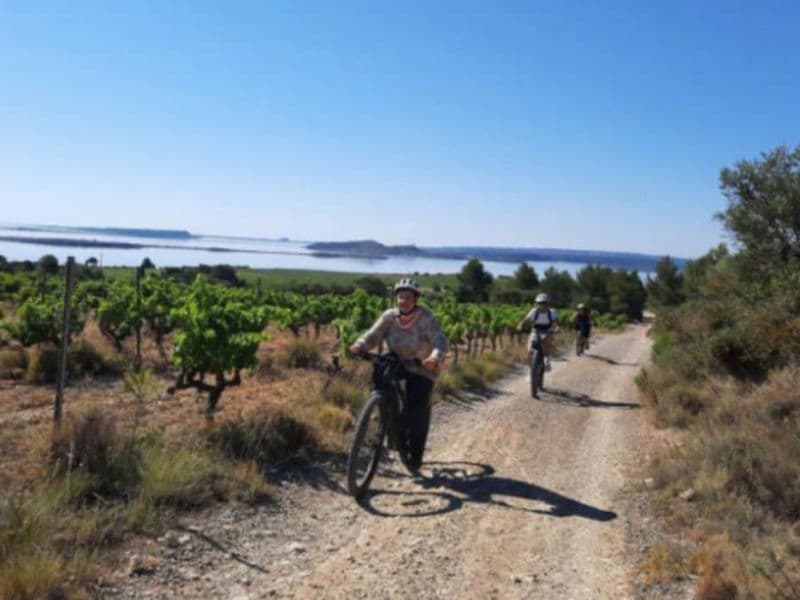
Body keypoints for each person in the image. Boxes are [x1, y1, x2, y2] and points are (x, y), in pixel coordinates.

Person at [347, 278, 447, 472]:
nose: (403, 301)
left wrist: (434, 357)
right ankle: (383, 408)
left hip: (422, 366)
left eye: (408, 297)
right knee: (381, 371)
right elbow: (373, 334)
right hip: (398, 360)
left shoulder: (426, 317)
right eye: (400, 296)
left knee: (416, 410)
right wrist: (360, 345)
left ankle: (415, 454)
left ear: (415, 299)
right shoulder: (389, 317)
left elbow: (440, 341)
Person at [517, 292, 559, 370]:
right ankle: (530, 372)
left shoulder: (552, 312)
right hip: (536, 330)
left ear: (548, 303)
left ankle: (546, 360)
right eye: (540, 303)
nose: (542, 305)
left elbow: (558, 323)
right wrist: (520, 324)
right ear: (537, 304)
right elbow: (526, 319)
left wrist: (557, 328)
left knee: (544, 339)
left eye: (544, 303)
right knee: (529, 350)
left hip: (548, 330)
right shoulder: (534, 311)